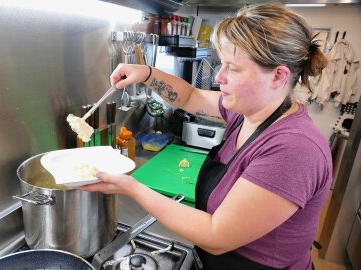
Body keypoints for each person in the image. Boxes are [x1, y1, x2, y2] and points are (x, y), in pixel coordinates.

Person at [79, 3, 332, 269]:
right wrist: (145, 73)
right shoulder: (249, 113)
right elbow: (191, 97)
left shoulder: (294, 150)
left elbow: (216, 235)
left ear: (278, 76)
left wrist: (131, 187)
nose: (218, 76)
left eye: (232, 68)